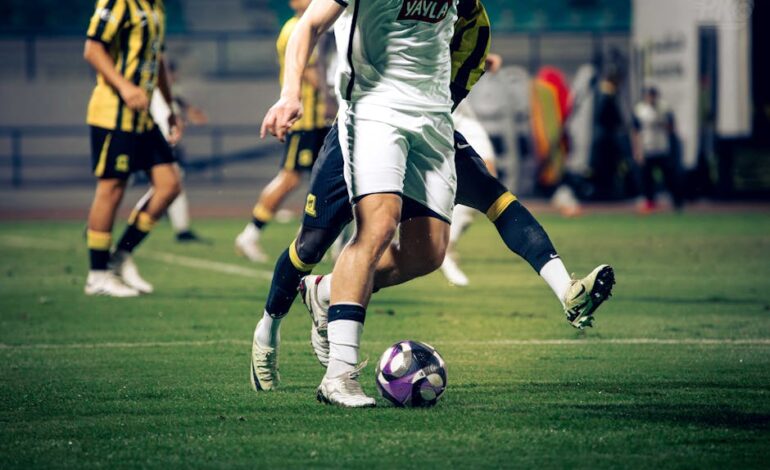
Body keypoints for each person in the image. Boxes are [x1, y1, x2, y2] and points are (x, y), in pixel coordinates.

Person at [252, 0, 614, 407]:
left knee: (429, 254)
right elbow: (308, 26)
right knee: (359, 230)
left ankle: (326, 291)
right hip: (373, 113)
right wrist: (288, 94)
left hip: (434, 118)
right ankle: (332, 370)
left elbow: (466, 43)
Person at [83, 0, 183, 297]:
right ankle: (97, 275)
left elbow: (157, 60)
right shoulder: (119, 2)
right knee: (112, 187)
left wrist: (168, 106)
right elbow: (93, 49)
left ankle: (119, 257)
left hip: (143, 116)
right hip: (113, 112)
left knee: (169, 185)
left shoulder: (156, 7)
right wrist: (125, 86)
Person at [235, 0, 334, 263]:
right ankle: (250, 233)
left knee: (330, 178)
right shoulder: (298, 28)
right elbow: (312, 73)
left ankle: (326, 238)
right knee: (290, 178)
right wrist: (333, 97)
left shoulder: (314, 24)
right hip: (305, 121)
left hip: (319, 122)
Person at [441, 53, 502, 287]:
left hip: (459, 111)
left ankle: (447, 246)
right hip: (427, 108)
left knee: (486, 180)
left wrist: (480, 58)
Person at [146, 61, 210, 243]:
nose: (173, 77)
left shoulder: (173, 96)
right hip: (150, 143)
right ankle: (179, 228)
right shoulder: (152, 94)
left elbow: (187, 110)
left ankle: (181, 228)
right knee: (168, 186)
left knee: (170, 186)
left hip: (165, 147)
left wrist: (189, 116)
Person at [632, 86, 682, 213]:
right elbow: (635, 131)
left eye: (652, 95)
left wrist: (660, 121)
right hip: (647, 148)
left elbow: (671, 127)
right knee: (646, 178)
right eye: (648, 95)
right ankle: (649, 202)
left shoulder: (664, 108)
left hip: (662, 147)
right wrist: (637, 151)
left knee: (669, 176)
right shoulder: (640, 110)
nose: (650, 98)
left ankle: (677, 201)